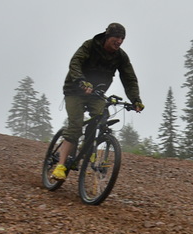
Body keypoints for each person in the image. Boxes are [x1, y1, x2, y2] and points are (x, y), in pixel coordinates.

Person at [52, 23, 144, 181]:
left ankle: (80, 153)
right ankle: (60, 165)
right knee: (75, 126)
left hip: (96, 93)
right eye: (117, 37)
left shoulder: (121, 57)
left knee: (101, 118)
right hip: (74, 90)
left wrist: (135, 99)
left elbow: (129, 79)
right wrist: (81, 81)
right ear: (108, 36)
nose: (120, 41)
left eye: (122, 38)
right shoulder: (90, 46)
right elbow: (75, 63)